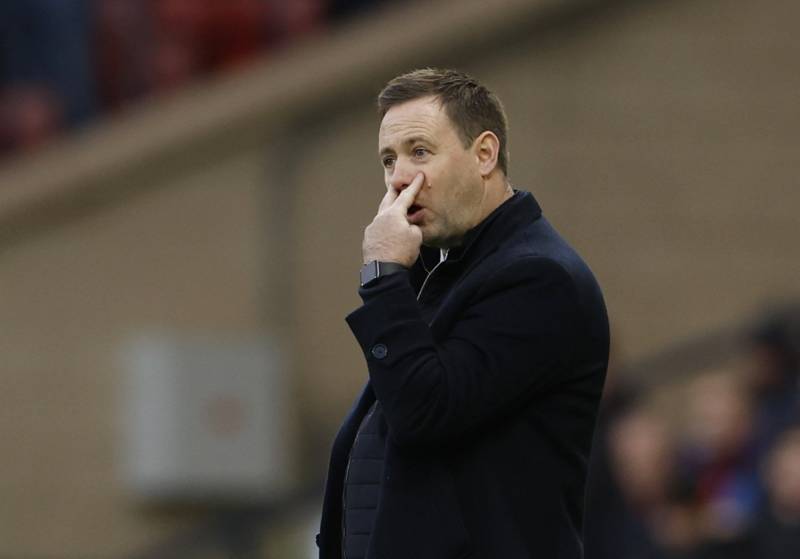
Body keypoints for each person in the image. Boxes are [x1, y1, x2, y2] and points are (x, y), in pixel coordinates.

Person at [317, 68, 610, 559]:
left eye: (419, 152)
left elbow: (424, 412)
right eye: (389, 159)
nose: (399, 178)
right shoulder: (439, 270)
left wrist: (384, 275)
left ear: (485, 154)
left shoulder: (540, 279)